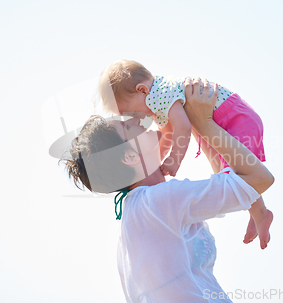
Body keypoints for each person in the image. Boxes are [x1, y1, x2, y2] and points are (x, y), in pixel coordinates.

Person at [61, 79, 275, 302]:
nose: (139, 121)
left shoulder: (144, 207)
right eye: (127, 127)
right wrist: (205, 124)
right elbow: (259, 179)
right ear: (130, 156)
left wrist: (198, 125)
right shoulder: (154, 202)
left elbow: (232, 179)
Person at [98, 59, 273, 248]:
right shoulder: (156, 98)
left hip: (233, 118)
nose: (135, 119)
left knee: (235, 174)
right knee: (228, 174)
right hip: (225, 119)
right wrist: (160, 160)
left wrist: (173, 161)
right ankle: (258, 213)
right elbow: (167, 134)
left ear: (142, 90)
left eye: (131, 112)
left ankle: (260, 213)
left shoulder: (159, 96)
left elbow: (182, 128)